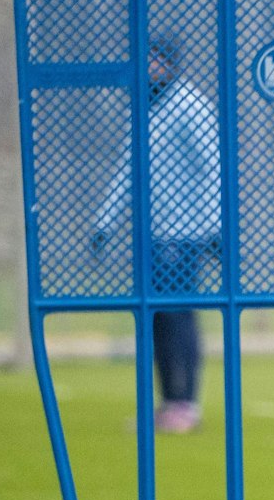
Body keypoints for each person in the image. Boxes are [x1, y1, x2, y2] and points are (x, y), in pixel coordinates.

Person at [92, 32, 221, 435]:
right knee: (156, 319)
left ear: (169, 63)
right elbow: (128, 168)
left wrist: (213, 226)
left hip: (185, 236)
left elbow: (213, 164)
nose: (148, 67)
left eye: (154, 60)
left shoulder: (190, 105)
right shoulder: (146, 108)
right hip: (153, 234)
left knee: (179, 315)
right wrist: (105, 220)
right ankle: (168, 403)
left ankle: (188, 404)